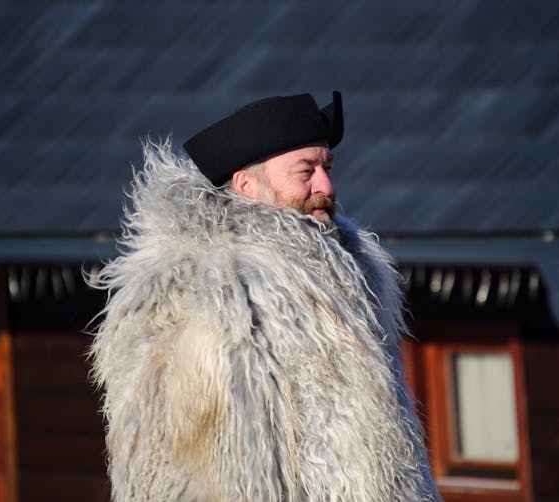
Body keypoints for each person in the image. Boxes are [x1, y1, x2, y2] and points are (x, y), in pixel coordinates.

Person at [89, 92, 441, 501]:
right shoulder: (213, 292)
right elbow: (228, 470)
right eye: (306, 170)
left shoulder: (353, 275)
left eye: (327, 166)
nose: (326, 185)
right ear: (246, 185)